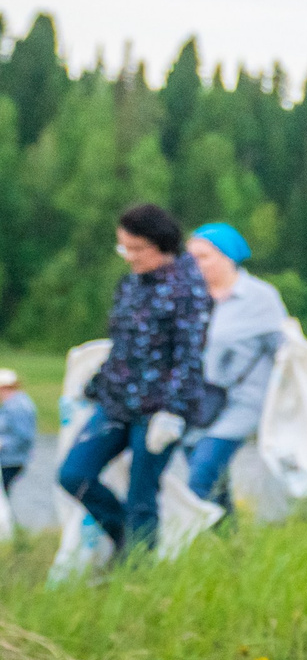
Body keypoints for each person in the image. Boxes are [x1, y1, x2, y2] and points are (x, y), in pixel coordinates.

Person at [56, 202, 214, 559]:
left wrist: (173, 411)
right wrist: (92, 387)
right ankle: (124, 536)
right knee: (74, 474)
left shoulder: (189, 290)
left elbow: (189, 356)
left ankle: (137, 572)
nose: (128, 257)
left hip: (159, 411)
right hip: (116, 403)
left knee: (143, 494)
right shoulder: (129, 285)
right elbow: (122, 346)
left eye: (136, 248)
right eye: (123, 247)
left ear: (160, 245)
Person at [182, 221, 289, 509]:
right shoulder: (189, 297)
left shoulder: (260, 297)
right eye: (189, 258)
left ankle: (184, 544)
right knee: (214, 484)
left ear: (227, 258)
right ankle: (228, 545)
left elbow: (285, 350)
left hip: (243, 402)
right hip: (198, 402)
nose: (194, 265)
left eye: (203, 257)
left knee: (201, 473)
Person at [0, 368, 34, 507]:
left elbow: (24, 436)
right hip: (11, 459)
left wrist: (2, 444)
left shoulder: (17, 406)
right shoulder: (14, 403)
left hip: (10, 460)